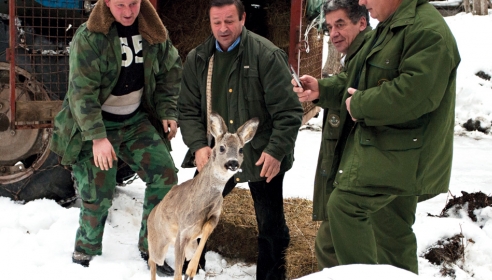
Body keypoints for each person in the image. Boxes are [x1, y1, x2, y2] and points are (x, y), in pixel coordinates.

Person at [293, 0, 460, 274]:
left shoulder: (428, 31)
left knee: (345, 207)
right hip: (391, 150)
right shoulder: (391, 27)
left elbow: (416, 94)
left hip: (401, 152)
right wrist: (322, 90)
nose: (362, 1)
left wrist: (361, 106)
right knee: (392, 235)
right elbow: (356, 81)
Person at [49, 0, 182, 275]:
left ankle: (151, 247)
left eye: (133, 3)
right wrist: (97, 137)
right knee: (98, 192)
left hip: (135, 120)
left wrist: (168, 110)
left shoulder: (153, 31)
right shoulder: (90, 37)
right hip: (98, 122)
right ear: (107, 2)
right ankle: (84, 252)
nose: (128, 11)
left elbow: (171, 70)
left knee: (165, 175)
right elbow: (81, 93)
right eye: (120, 4)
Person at [178, 0, 303, 279]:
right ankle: (190, 269)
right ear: (209, 22)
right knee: (194, 212)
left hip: (260, 153)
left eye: (229, 20)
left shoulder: (267, 55)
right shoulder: (198, 59)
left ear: (243, 18)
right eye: (217, 22)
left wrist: (276, 151)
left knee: (270, 224)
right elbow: (186, 109)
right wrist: (199, 146)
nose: (223, 28)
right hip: (218, 155)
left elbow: (289, 111)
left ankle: (271, 275)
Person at [310, 0, 371, 270]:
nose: (333, 33)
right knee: (328, 242)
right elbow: (346, 84)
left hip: (365, 168)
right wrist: (320, 89)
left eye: (340, 24)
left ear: (362, 22)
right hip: (356, 167)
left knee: (333, 243)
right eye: (329, 26)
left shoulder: (370, 52)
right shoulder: (357, 55)